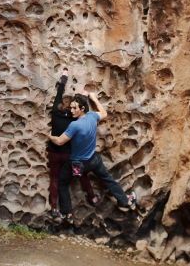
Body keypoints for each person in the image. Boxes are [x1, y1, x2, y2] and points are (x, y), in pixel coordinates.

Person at [48, 90, 137, 219]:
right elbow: (104, 113)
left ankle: (67, 213)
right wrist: (94, 98)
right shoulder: (92, 116)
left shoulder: (75, 125)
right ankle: (125, 201)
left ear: (82, 108)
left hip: (77, 164)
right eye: (71, 107)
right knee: (108, 179)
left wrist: (50, 137)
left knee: (62, 182)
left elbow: (60, 141)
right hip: (93, 160)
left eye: (74, 108)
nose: (71, 110)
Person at [46, 69, 97, 217]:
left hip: (54, 153)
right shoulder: (73, 118)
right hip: (69, 155)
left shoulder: (55, 111)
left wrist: (64, 77)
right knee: (82, 175)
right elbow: (79, 106)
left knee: (55, 179)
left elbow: (59, 92)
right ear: (71, 107)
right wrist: (84, 95)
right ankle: (91, 196)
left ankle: (54, 208)